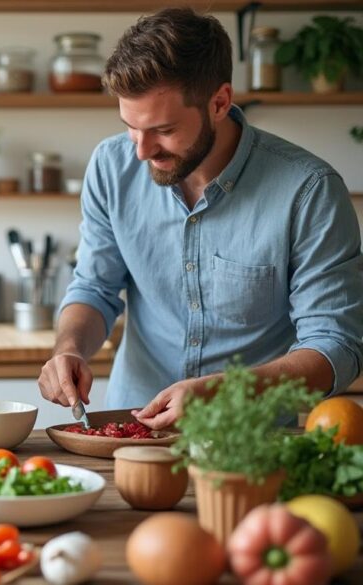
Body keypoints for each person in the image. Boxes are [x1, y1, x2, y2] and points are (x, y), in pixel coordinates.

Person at [39, 7, 363, 429]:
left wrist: (227, 390)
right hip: (129, 433)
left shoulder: (309, 191)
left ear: (220, 103)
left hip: (248, 443)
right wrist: (69, 349)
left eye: (163, 130)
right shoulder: (110, 166)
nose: (141, 151)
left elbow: (336, 347)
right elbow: (95, 288)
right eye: (131, 127)